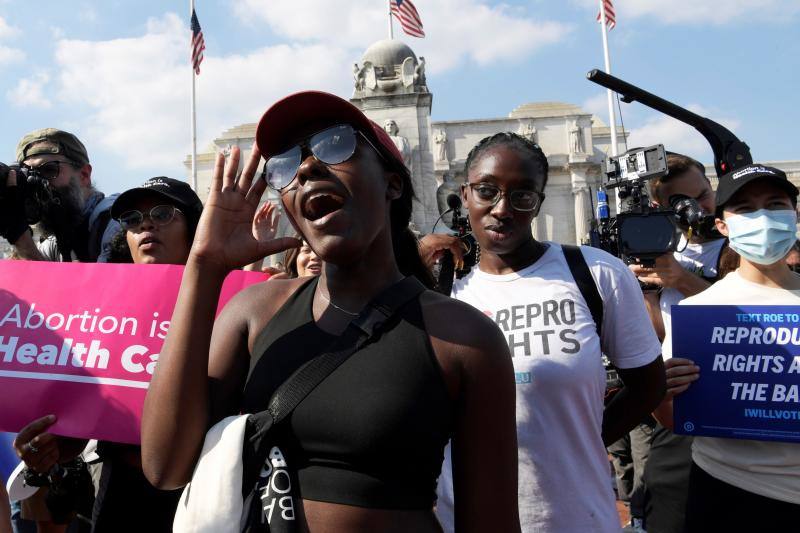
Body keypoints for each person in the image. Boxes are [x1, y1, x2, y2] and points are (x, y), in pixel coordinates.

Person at [140, 92, 520, 533]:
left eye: (336, 143)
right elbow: (164, 465)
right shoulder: (254, 311)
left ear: (392, 182)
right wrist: (204, 266)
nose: (305, 168)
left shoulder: (465, 338)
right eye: (284, 164)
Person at [422, 132, 665, 532]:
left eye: (522, 196)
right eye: (487, 191)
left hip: (576, 517)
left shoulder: (596, 273)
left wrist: (581, 441)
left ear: (538, 202)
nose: (502, 209)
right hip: (465, 519)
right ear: (464, 195)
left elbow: (648, 386)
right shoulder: (441, 291)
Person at [12, 177, 204, 533]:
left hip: (203, 489)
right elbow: (84, 422)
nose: (146, 224)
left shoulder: (230, 301)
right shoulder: (104, 313)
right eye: (132, 219)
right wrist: (49, 448)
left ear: (195, 230)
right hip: (122, 492)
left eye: (163, 214)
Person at [655, 163, 800, 532]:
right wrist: (664, 391)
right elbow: (675, 417)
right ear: (722, 224)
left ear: (794, 213)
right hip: (729, 490)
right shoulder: (696, 313)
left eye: (776, 204)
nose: (764, 218)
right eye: (747, 209)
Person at [626, 153, 734, 533]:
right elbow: (655, 336)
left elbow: (750, 322)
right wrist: (644, 292)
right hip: (676, 416)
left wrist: (683, 281)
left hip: (731, 405)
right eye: (683, 202)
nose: (700, 208)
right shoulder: (659, 248)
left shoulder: (738, 248)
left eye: (703, 194)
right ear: (659, 207)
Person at [1, 129, 118, 263]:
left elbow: (98, 284)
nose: (36, 183)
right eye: (28, 175)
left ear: (84, 175)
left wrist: (20, 237)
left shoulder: (117, 226)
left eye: (48, 170)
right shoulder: (57, 238)